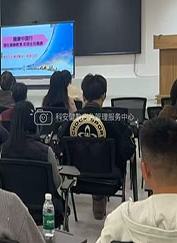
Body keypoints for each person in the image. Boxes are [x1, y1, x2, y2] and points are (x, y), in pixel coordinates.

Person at [58, 74, 136, 220]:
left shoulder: (70, 121)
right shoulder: (117, 123)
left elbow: (60, 147)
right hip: (110, 180)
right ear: (104, 96)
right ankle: (99, 201)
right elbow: (128, 151)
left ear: (83, 96)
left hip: (76, 180)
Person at [1, 101, 62, 193]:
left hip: (12, 200)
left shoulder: (4, 150)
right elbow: (56, 183)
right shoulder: (45, 151)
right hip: (42, 201)